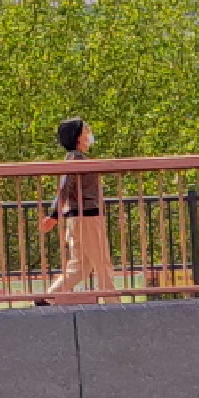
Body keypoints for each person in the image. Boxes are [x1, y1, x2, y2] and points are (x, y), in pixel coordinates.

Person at [44, 114, 120, 300]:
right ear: (78, 137)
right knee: (102, 264)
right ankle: (114, 306)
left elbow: (64, 187)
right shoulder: (76, 159)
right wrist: (54, 214)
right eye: (86, 130)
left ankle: (47, 298)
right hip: (87, 217)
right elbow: (65, 186)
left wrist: (55, 213)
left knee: (80, 267)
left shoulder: (74, 158)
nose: (90, 134)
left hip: (78, 218)